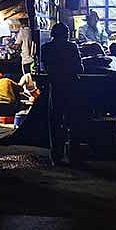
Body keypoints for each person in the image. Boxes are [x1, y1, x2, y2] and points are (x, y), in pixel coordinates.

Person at [41, 23, 84, 163]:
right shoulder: (71, 47)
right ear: (66, 34)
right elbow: (79, 68)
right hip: (72, 86)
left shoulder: (46, 48)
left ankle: (56, 153)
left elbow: (46, 68)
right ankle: (74, 153)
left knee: (55, 120)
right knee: (73, 120)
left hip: (56, 86)